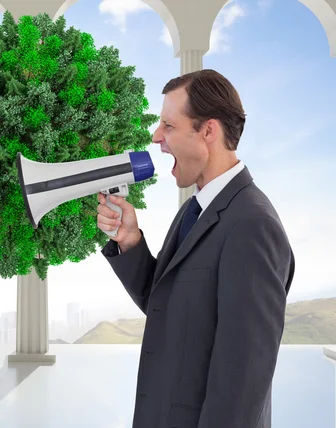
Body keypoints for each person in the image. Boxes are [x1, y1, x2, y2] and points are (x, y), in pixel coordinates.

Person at [97, 69, 295, 428]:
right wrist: (131, 242)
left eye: (169, 126)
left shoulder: (253, 226)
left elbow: (242, 384)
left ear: (208, 131)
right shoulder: (195, 209)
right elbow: (171, 309)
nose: (156, 137)